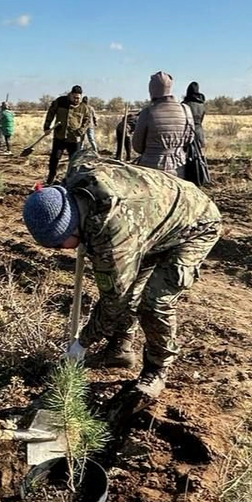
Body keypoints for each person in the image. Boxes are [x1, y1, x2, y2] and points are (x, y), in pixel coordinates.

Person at [21, 154, 222, 426]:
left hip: (195, 224)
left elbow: (114, 299)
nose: (61, 251)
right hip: (153, 222)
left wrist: (82, 343)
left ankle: (157, 369)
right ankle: (119, 351)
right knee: (130, 286)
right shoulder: (75, 187)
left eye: (59, 244)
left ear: (70, 224)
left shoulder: (113, 235)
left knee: (153, 301)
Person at [132, 71, 195, 180]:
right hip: (179, 166)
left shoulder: (147, 112)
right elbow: (189, 140)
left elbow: (137, 145)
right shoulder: (185, 110)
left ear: (151, 90)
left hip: (151, 169)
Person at [42, 86, 93, 184]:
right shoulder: (60, 102)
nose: (76, 100)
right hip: (59, 137)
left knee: (74, 162)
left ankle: (71, 181)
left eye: (78, 98)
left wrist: (81, 131)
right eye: (74, 97)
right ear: (70, 95)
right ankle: (50, 179)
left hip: (74, 139)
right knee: (54, 159)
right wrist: (47, 126)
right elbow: (50, 113)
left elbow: (87, 120)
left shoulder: (84, 107)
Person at [182, 82, 207, 149]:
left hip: (187, 132)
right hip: (199, 132)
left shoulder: (184, 104)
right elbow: (201, 119)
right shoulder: (202, 105)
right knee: (199, 156)